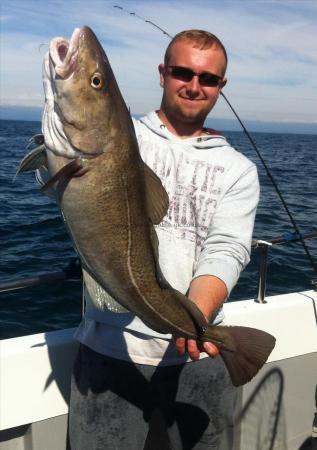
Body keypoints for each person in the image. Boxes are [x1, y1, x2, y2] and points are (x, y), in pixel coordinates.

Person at [68, 30, 260, 450]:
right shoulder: (118, 135)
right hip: (108, 349)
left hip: (201, 358)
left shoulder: (239, 169)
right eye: (182, 72)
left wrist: (195, 319)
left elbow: (227, 248)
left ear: (221, 87)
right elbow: (62, 189)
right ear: (162, 73)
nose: (194, 86)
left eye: (208, 79)